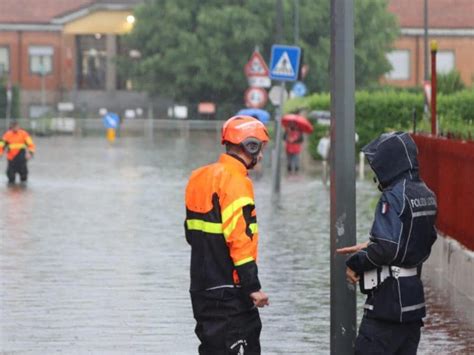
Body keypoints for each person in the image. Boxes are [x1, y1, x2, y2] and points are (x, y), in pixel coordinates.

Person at [337, 132, 437, 354]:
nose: (376, 176)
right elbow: (424, 240)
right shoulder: (426, 193)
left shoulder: (393, 196)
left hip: (387, 308)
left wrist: (355, 262)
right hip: (413, 308)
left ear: (390, 164)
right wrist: (369, 245)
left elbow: (386, 248)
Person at [184, 115, 270, 354]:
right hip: (230, 291)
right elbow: (239, 238)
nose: (260, 155)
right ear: (249, 146)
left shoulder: (198, 177)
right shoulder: (236, 181)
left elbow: (191, 233)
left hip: (201, 287)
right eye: (259, 148)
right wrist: (252, 286)